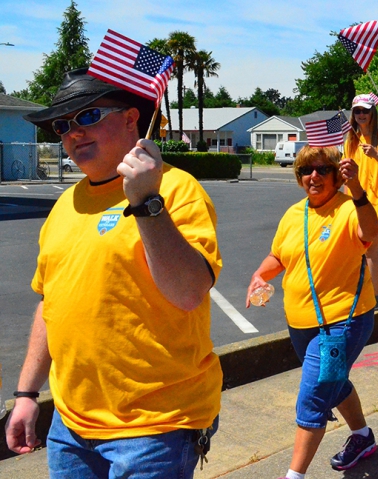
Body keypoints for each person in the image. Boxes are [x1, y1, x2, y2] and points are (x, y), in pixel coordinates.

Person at [5, 69, 223, 477]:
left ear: (130, 119)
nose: (73, 133)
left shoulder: (176, 188)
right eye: (62, 125)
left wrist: (145, 201)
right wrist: (26, 393)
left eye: (88, 117)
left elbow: (190, 291)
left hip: (155, 427)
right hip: (70, 426)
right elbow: (49, 304)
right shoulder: (65, 205)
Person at [246, 146, 378, 478]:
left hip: (340, 323)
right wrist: (258, 276)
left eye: (322, 169)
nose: (314, 176)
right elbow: (279, 256)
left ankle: (294, 475)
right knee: (333, 383)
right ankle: (362, 437)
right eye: (307, 170)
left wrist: (359, 190)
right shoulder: (295, 213)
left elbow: (370, 232)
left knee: (312, 399)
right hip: (301, 325)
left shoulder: (348, 208)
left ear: (337, 175)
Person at [345, 94, 378, 307]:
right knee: (356, 252)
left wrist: (376, 154)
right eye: (357, 111)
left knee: (370, 250)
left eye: (365, 110)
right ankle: (374, 280)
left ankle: (375, 298)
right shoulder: (352, 140)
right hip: (354, 202)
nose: (361, 115)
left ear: (373, 112)